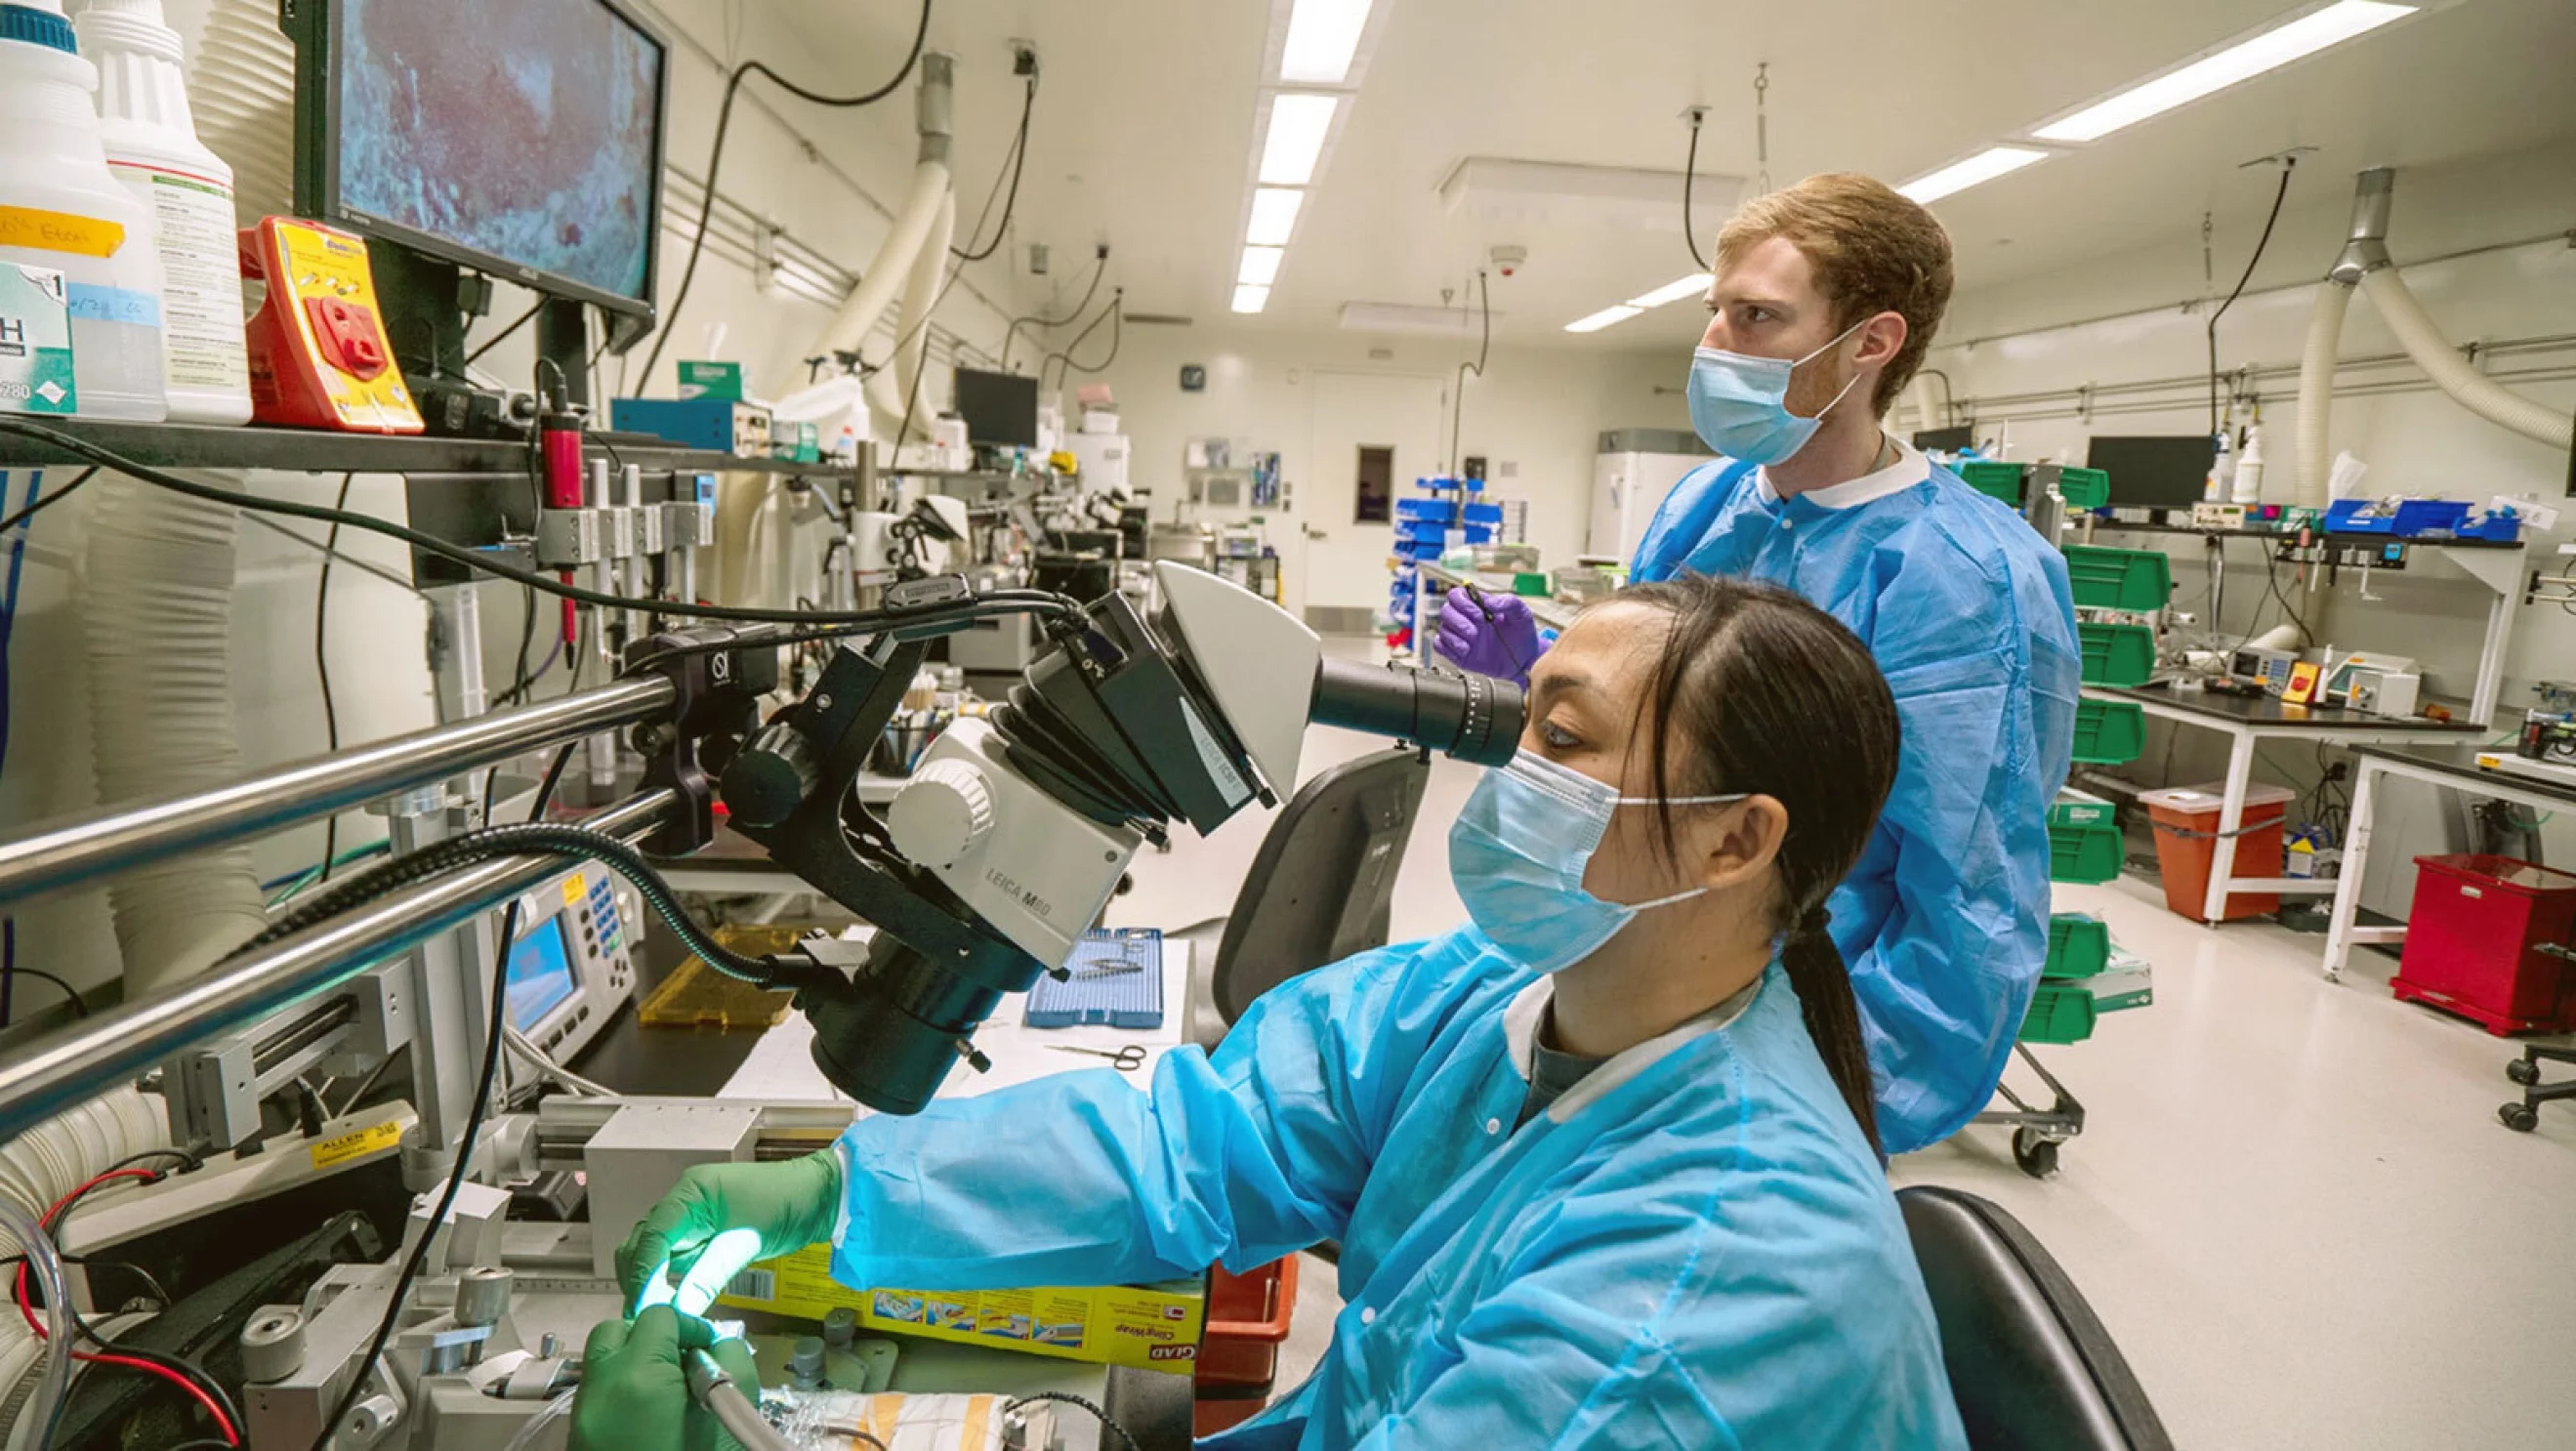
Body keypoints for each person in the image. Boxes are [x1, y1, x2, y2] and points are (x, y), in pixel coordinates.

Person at [580, 574, 1967, 1451]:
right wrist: (832, 1191)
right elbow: (1193, 1142)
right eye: (1519, 721)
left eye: (1561, 737)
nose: (1504, 772)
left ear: (1734, 843)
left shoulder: (1711, 1287)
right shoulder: (1486, 1000)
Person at [1438, 172, 2080, 1155]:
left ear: (1870, 343)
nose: (1712, 348)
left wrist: (1828, 1101)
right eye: (1714, 313)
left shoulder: (1967, 578)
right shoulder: (1710, 503)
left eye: (1754, 318)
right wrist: (1549, 681)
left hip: (1788, 1029)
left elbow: (1972, 896)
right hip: (1629, 963)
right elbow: (1645, 739)